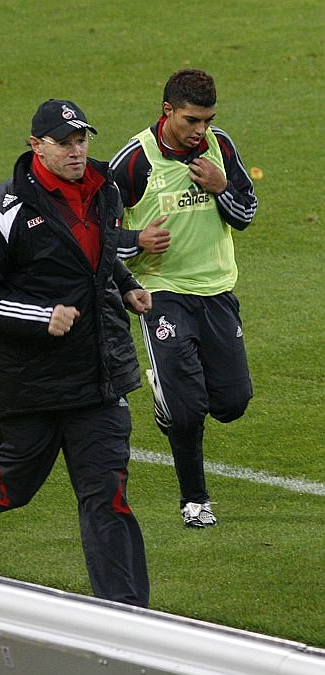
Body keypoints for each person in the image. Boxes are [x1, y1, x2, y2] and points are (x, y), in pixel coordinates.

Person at [0, 99, 151, 607]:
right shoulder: (0, 212)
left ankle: (127, 620)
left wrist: (126, 285)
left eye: (81, 140)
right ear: (36, 146)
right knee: (13, 487)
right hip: (33, 383)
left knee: (108, 499)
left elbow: (96, 252)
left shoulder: (104, 190)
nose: (76, 151)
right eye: (63, 143)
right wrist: (40, 317)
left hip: (99, 376)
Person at [111, 69, 258, 528]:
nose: (201, 130)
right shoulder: (134, 162)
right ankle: (195, 500)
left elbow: (247, 212)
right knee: (187, 410)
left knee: (232, 403)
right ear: (168, 111)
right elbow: (97, 237)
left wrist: (221, 187)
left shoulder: (220, 147)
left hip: (216, 289)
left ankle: (168, 397)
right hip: (161, 292)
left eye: (208, 120)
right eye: (192, 120)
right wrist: (137, 241)